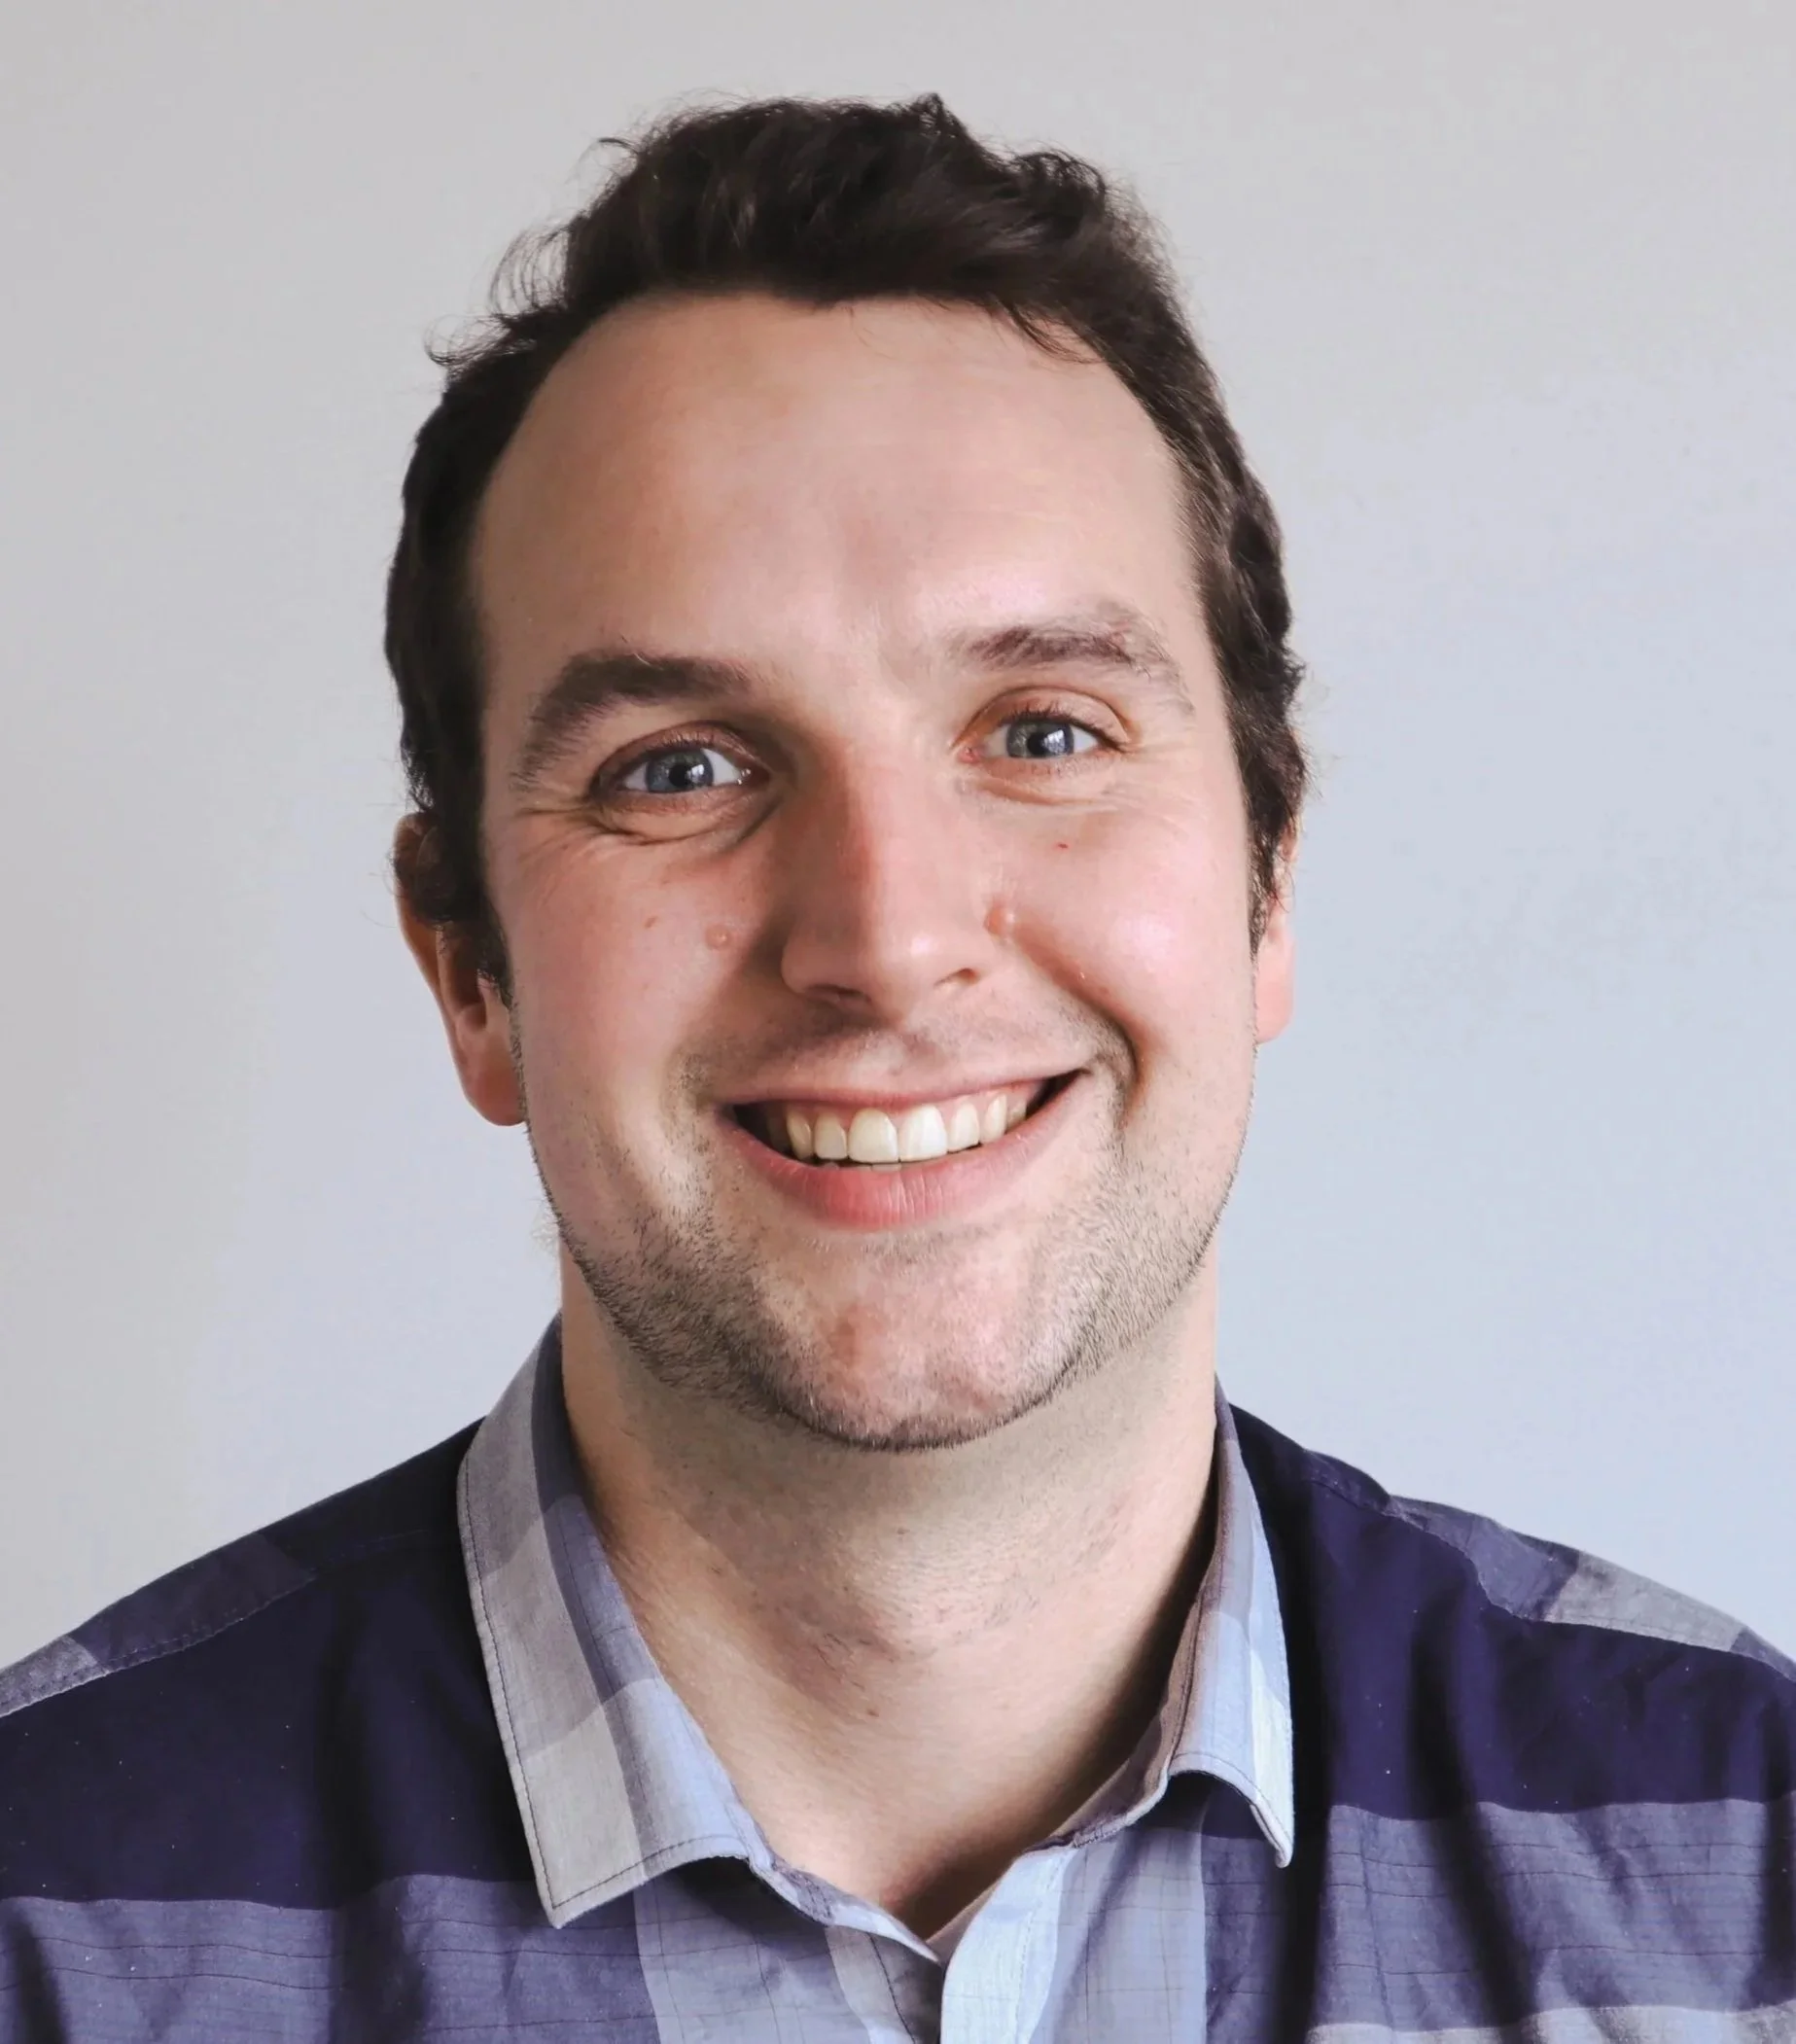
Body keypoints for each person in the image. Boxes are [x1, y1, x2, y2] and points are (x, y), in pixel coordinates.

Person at [1, 93, 1790, 2042]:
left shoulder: (1743, 1887)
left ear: (1266, 877)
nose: (882, 932)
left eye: (1042, 730)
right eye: (679, 767)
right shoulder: (46, 1926)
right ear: (468, 972)